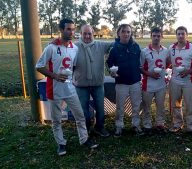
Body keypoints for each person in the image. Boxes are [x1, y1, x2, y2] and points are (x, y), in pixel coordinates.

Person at [36, 19, 98, 156]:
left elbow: (73, 66)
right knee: (57, 120)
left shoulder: (74, 48)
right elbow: (39, 66)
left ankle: (84, 139)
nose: (71, 32)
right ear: (61, 30)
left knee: (80, 116)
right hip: (54, 89)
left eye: (73, 29)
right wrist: (54, 76)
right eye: (68, 29)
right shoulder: (51, 47)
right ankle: (61, 143)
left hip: (70, 89)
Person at [73, 25, 112, 137]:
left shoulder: (100, 45)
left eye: (89, 33)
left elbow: (115, 44)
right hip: (81, 84)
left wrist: (124, 37)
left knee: (100, 108)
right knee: (83, 110)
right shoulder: (74, 47)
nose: (87, 36)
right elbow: (63, 48)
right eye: (84, 33)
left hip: (97, 83)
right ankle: (86, 129)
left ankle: (99, 127)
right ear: (80, 34)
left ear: (93, 33)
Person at [106, 24, 143, 137]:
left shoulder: (136, 46)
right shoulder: (114, 49)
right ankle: (119, 126)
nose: (126, 34)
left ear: (131, 33)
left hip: (135, 82)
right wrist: (112, 72)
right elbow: (109, 63)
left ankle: (136, 125)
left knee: (136, 105)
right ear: (119, 33)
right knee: (120, 106)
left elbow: (140, 63)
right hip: (121, 82)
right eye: (123, 32)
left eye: (128, 32)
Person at [168, 26, 192, 137]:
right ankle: (177, 124)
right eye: (178, 34)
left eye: (183, 33)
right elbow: (168, 62)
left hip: (189, 81)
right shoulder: (171, 48)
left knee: (190, 105)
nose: (181, 36)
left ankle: (191, 127)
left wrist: (188, 72)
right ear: (176, 35)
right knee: (175, 104)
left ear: (186, 35)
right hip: (175, 80)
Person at [140, 27, 169, 134]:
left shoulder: (166, 51)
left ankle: (160, 124)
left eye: (158, 36)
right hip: (148, 84)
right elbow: (140, 68)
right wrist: (150, 74)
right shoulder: (144, 51)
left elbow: (169, 63)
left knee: (160, 106)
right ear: (151, 36)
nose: (156, 38)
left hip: (161, 84)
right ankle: (147, 125)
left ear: (161, 36)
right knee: (146, 106)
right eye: (154, 36)